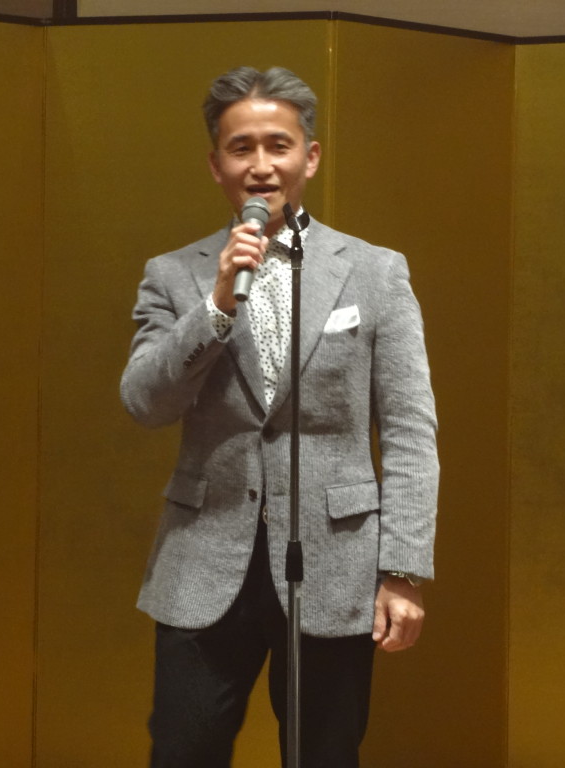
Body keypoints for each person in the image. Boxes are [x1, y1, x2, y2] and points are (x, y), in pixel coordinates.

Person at [120, 65, 439, 768]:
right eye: (241, 148)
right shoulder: (173, 274)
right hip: (203, 559)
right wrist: (215, 305)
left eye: (278, 145)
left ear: (310, 157)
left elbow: (410, 430)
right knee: (182, 754)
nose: (261, 165)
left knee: (324, 755)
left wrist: (403, 569)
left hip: (336, 560)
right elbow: (145, 401)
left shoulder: (376, 272)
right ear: (216, 164)